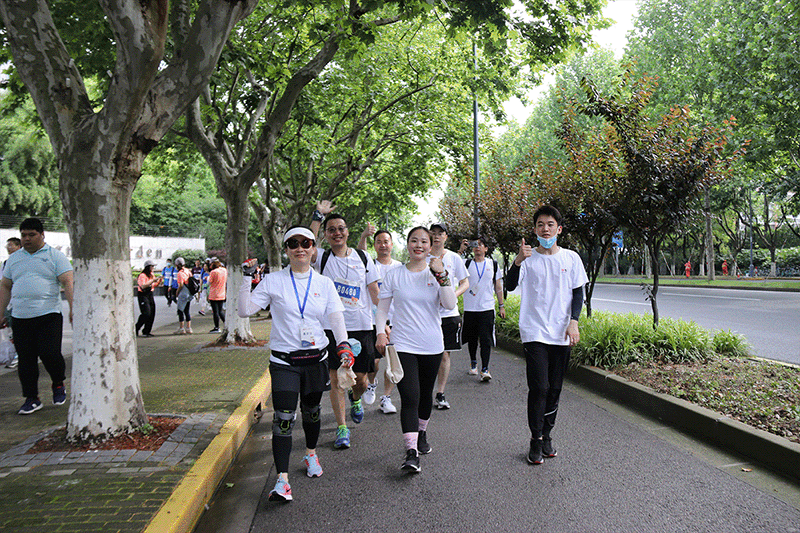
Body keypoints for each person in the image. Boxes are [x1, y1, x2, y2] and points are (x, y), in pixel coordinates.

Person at [238, 226, 354, 502]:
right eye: (293, 243)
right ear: (286, 249)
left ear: (314, 248)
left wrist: (344, 344)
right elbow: (245, 310)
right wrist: (246, 278)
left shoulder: (324, 283)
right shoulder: (273, 281)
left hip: (316, 360)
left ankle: (311, 454)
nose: (300, 248)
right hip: (284, 362)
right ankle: (282, 480)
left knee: (312, 412)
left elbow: (336, 317)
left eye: (306, 243)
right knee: (284, 419)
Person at [505, 206, 587, 465]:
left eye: (550, 224)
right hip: (535, 332)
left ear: (559, 229)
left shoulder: (571, 258)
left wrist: (574, 322)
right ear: (535, 230)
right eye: (540, 224)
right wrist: (518, 260)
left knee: (555, 388)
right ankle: (535, 438)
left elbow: (578, 292)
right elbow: (509, 285)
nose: (545, 229)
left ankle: (547, 435)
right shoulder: (527, 259)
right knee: (539, 387)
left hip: (561, 332)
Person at [375, 226, 457, 472]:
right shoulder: (394, 275)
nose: (418, 245)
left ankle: (421, 433)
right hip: (403, 344)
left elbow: (449, 303)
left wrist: (441, 275)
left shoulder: (439, 272)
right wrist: (381, 333)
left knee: (424, 395)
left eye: (423, 241)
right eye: (414, 240)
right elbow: (382, 308)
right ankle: (411, 453)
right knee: (410, 396)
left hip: (432, 344)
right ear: (408, 244)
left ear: (430, 246)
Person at [310, 200, 380, 449]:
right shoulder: (322, 258)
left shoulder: (363, 257)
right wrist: (318, 216)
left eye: (341, 228)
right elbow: (309, 241)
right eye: (331, 230)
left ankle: (356, 398)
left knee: (360, 380)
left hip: (361, 326)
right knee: (336, 379)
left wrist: (385, 324)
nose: (337, 233)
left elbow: (374, 290)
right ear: (326, 235)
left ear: (348, 232)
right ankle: (342, 428)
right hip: (331, 328)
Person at [0, 218, 74, 415]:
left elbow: (68, 282)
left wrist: (73, 308)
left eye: (31, 235)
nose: (27, 239)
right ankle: (32, 398)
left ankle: (58, 383)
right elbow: (5, 286)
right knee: (26, 359)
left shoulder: (55, 256)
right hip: (21, 316)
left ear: (42, 235)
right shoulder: (14, 259)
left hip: (48, 315)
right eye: (23, 235)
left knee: (50, 353)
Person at [358, 224, 400, 414]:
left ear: (392, 244)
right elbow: (360, 254)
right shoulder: (370, 265)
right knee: (374, 362)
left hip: (396, 322)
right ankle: (371, 383)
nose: (383, 245)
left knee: (392, 362)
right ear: (374, 245)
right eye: (379, 242)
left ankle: (386, 398)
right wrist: (364, 236)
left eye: (386, 241)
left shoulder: (399, 267)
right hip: (374, 322)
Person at [428, 222, 469, 409]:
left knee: (445, 354)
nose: (436, 236)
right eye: (433, 233)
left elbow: (465, 282)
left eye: (440, 233)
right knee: (429, 355)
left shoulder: (454, 258)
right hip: (427, 315)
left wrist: (452, 295)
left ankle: (440, 393)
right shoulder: (422, 256)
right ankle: (425, 391)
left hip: (449, 314)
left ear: (446, 237)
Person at [462, 236, 505, 381]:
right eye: (475, 245)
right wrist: (461, 250)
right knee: (472, 339)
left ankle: (485, 369)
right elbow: (451, 267)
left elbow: (498, 286)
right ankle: (473, 363)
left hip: (487, 308)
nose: (477, 247)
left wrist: (501, 305)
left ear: (486, 248)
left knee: (486, 339)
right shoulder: (466, 263)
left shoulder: (493, 264)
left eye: (480, 244)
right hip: (470, 308)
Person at [1, 237, 21, 369]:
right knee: (10, 328)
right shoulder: (6, 263)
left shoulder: (23, 261)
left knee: (18, 328)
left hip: (20, 301)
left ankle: (18, 355)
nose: (8, 247)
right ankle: (14, 354)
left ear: (18, 246)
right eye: (7, 245)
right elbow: (3, 284)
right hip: (9, 301)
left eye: (11, 245)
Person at [135, 259, 162, 337]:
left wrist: (159, 281)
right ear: (148, 267)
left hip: (150, 294)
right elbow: (143, 285)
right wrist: (153, 280)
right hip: (143, 294)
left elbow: (154, 285)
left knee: (152, 313)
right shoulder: (142, 275)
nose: (153, 268)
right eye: (152, 266)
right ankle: (136, 328)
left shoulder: (151, 275)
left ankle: (147, 331)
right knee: (146, 313)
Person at [173, 257, 193, 334]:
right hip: (189, 293)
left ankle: (181, 328)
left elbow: (181, 285)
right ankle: (189, 328)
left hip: (183, 293)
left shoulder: (180, 273)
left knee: (180, 310)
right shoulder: (187, 271)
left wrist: (177, 292)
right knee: (187, 311)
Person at [208, 259, 227, 333]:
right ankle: (226, 324)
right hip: (222, 293)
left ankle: (217, 327)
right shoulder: (224, 270)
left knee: (215, 311)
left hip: (214, 294)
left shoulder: (213, 272)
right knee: (220, 310)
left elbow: (209, 282)